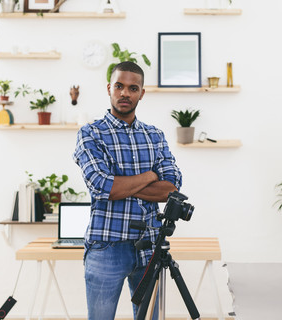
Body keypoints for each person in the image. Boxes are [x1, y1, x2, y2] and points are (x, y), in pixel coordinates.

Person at [73, 61, 182, 320]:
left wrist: (122, 184)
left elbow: (171, 187)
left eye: (133, 88)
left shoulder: (154, 135)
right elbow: (102, 187)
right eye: (119, 86)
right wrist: (150, 175)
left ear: (141, 93)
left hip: (150, 246)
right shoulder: (91, 133)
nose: (125, 93)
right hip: (107, 246)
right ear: (109, 88)